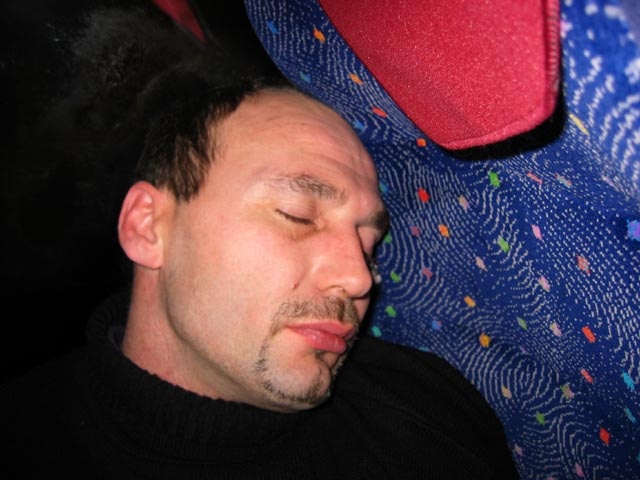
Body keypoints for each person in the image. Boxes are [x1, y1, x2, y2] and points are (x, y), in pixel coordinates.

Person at [0, 9, 518, 480]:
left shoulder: (427, 413)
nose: (359, 279)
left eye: (369, 242)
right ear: (147, 227)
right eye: (298, 215)